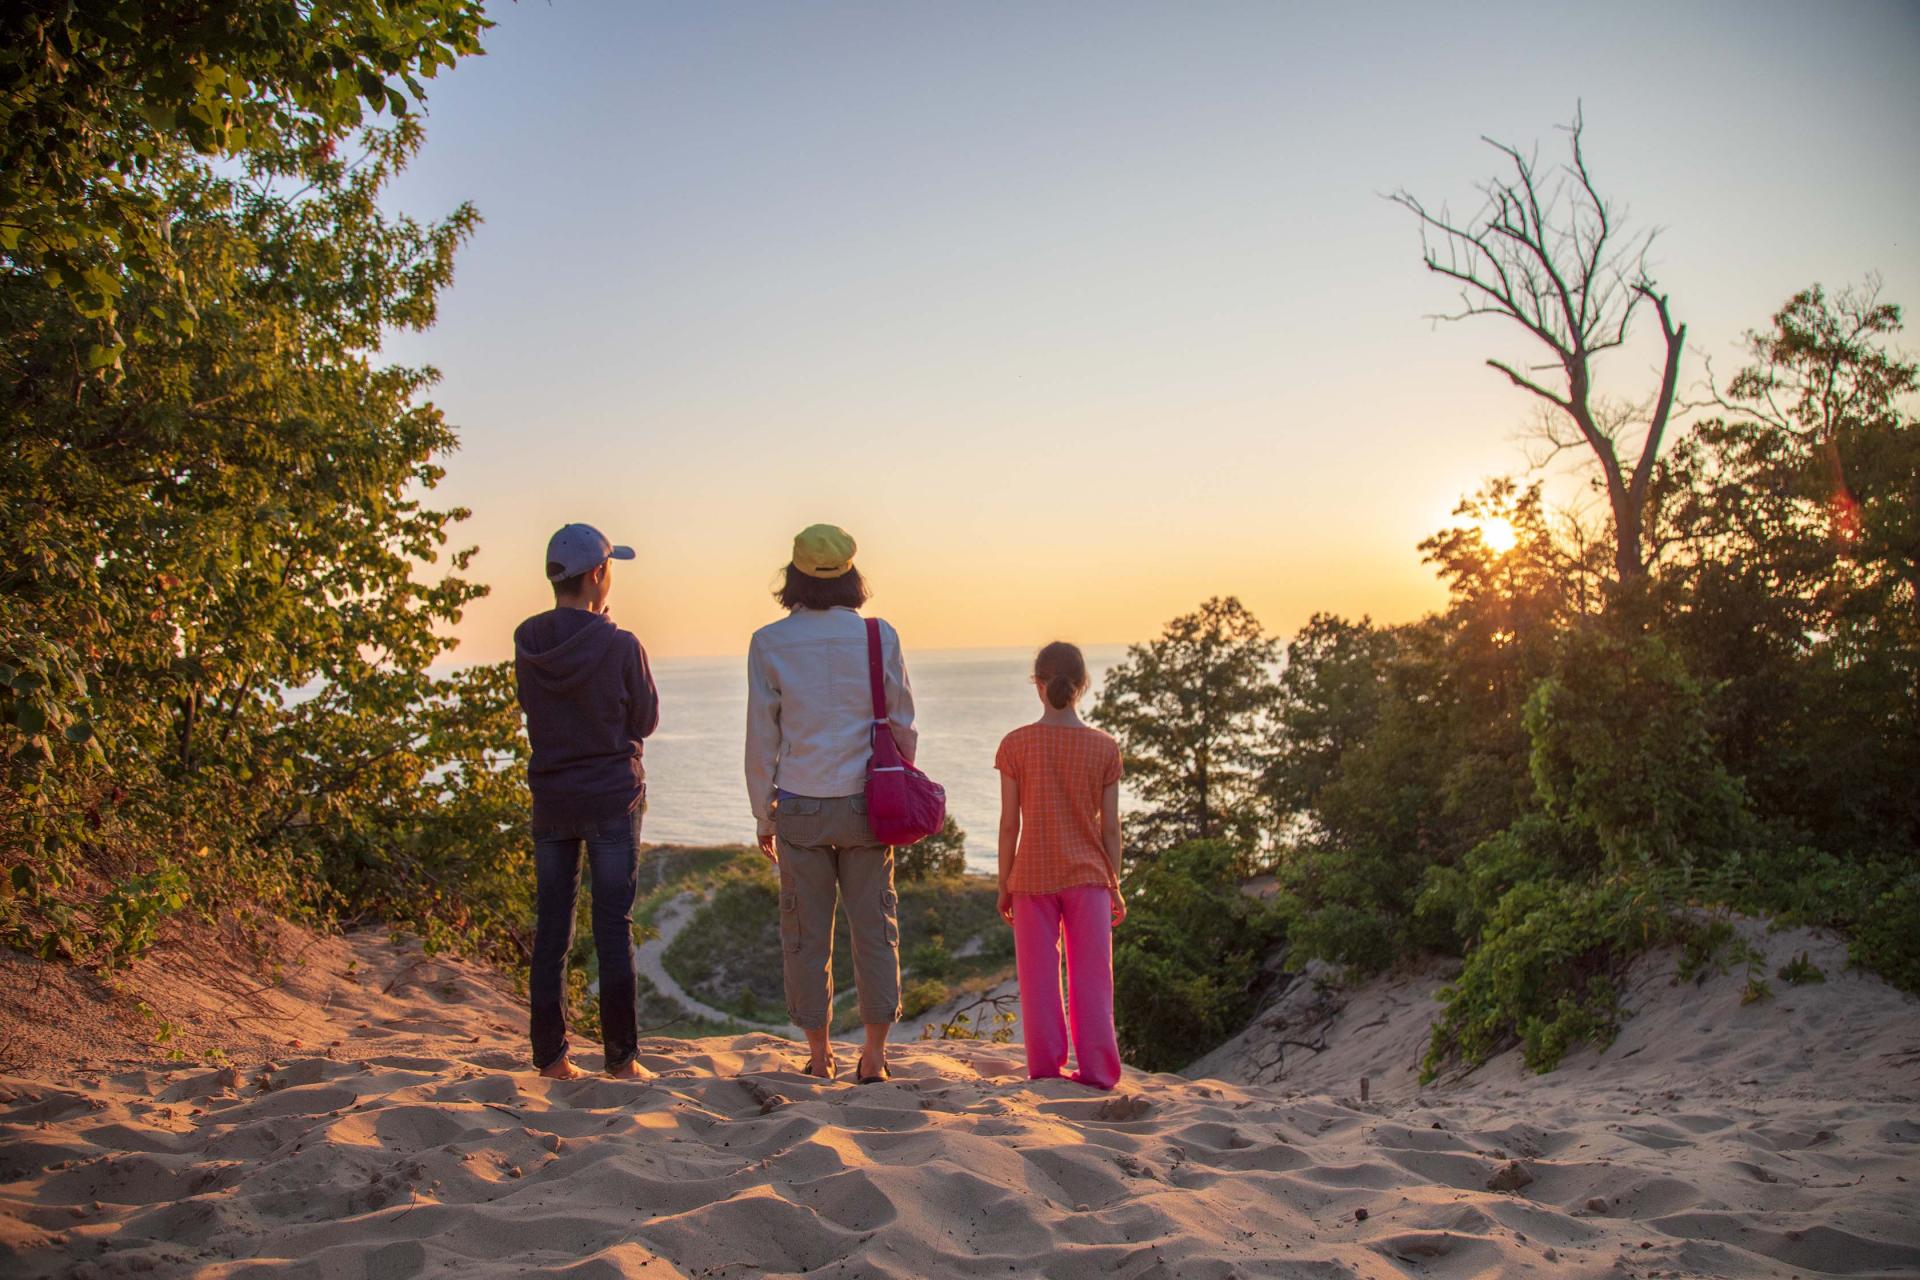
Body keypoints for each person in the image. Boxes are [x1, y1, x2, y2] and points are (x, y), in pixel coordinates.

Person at [745, 524, 916, 1083]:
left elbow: (762, 737)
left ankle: (820, 1057)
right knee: (876, 928)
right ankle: (875, 1056)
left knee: (805, 935)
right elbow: (903, 723)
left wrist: (762, 812)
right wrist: (898, 790)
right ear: (851, 574)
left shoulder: (769, 642)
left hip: (800, 805)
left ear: (793, 576)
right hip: (868, 804)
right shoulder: (878, 635)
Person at [512, 523, 659, 1081]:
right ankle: (621, 1060)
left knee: (552, 928)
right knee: (612, 927)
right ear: (598, 573)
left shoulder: (528, 640)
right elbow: (645, 718)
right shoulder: (620, 644)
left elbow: (530, 704)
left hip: (552, 797)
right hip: (611, 797)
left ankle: (551, 1059)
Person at [994, 641, 1125, 1090]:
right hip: (1089, 877)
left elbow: (1009, 825)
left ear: (1038, 683)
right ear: (1083, 684)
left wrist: (1004, 884)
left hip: (1031, 876)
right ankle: (1098, 1072)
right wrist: (1115, 884)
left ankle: (1046, 1070)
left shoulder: (1015, 744)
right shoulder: (1105, 747)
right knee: (1092, 980)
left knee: (1039, 981)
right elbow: (1111, 829)